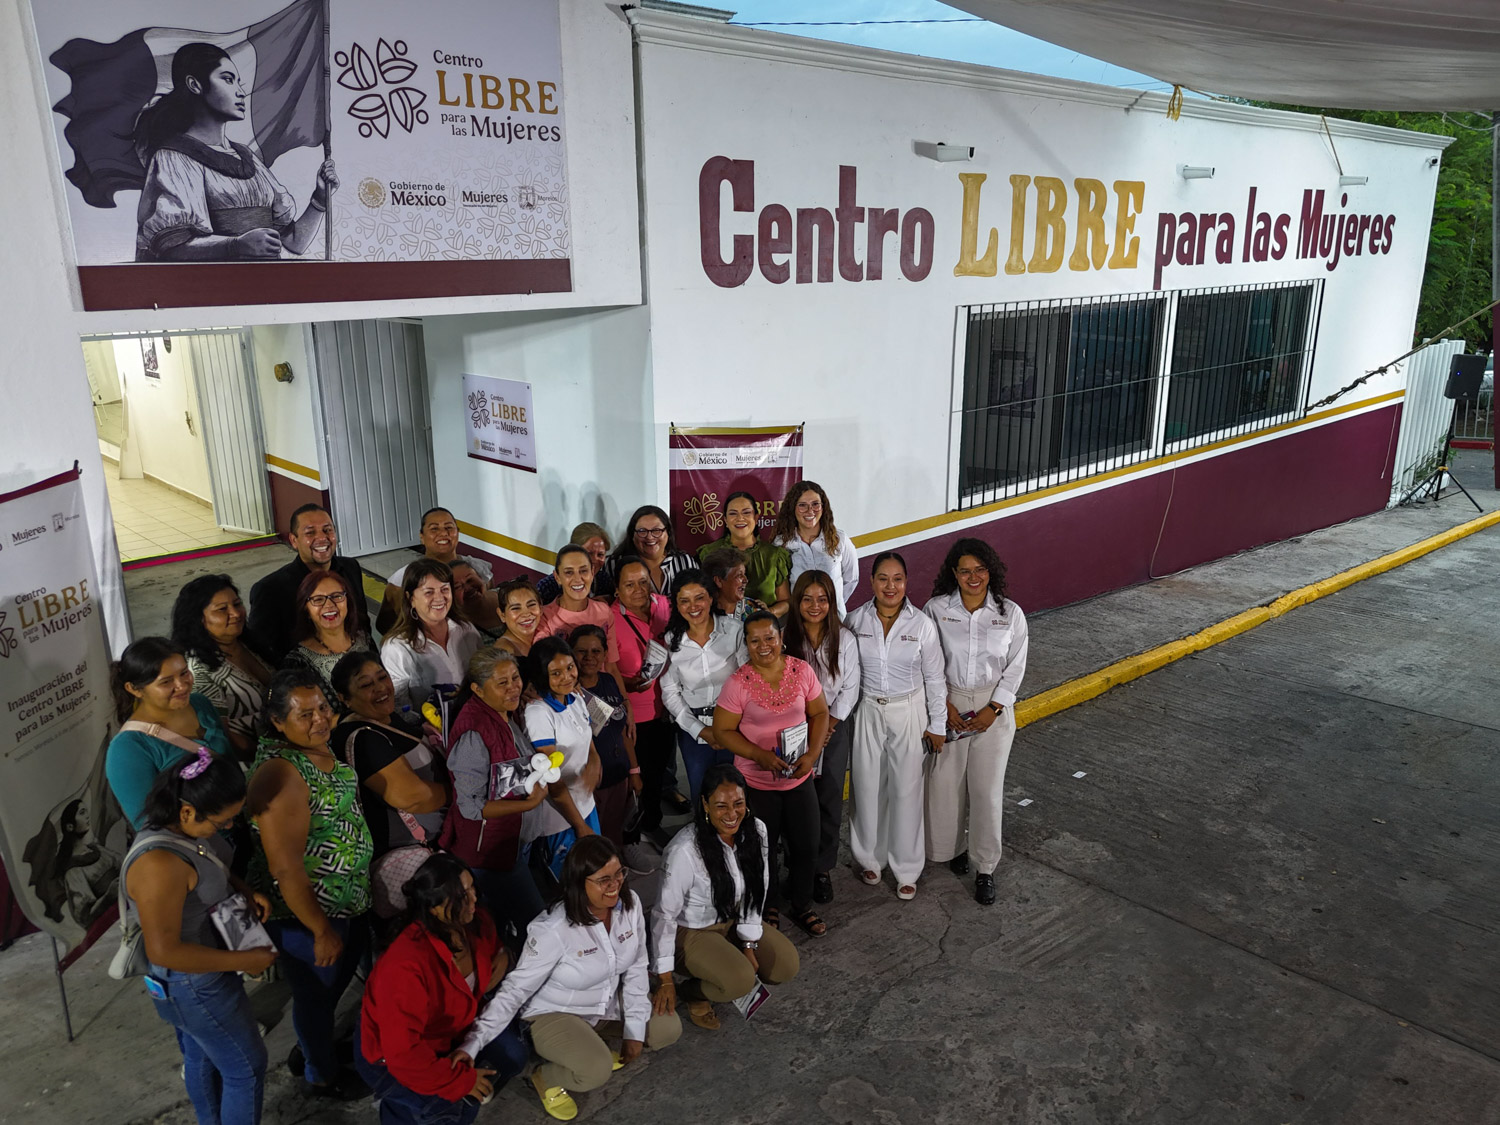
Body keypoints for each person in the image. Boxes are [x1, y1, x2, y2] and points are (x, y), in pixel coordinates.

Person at [456, 837, 681, 1121]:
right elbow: (514, 992)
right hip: (554, 1013)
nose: (614, 886)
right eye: (603, 880)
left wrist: (635, 1029)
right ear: (578, 882)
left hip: (603, 1001)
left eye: (618, 874)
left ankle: (590, 1045)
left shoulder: (631, 904)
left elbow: (636, 965)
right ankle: (546, 1077)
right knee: (595, 1070)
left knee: (666, 1028)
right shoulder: (552, 929)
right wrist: (472, 1045)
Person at [122, 752, 277, 1125]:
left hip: (201, 976)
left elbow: (208, 861)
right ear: (188, 812)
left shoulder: (180, 833)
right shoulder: (158, 865)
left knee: (202, 1054)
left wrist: (240, 889)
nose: (227, 826)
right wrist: (247, 961)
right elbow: (166, 950)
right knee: (246, 1069)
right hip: (194, 984)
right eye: (221, 821)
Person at [246, 670, 373, 1099]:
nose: (320, 719)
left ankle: (311, 1050)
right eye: (305, 714)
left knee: (327, 992)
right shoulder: (281, 772)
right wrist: (319, 929)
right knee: (315, 997)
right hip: (307, 914)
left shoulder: (314, 749)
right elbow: (285, 868)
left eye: (323, 707)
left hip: (344, 901)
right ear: (278, 722)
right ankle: (322, 1075)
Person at [355, 854, 530, 1125]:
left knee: (513, 1056)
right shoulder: (404, 966)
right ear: (433, 907)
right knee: (456, 1109)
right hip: (393, 1058)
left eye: (472, 888)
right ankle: (399, 1101)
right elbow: (403, 1052)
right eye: (462, 895)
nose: (473, 900)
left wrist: (504, 955)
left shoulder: (476, 922)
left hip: (451, 1033)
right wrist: (459, 1082)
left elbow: (495, 956)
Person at [133, 42, 336, 262]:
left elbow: (294, 243)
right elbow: (171, 248)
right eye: (228, 80)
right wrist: (235, 245)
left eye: (239, 82)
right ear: (195, 84)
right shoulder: (174, 157)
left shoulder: (248, 158)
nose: (240, 92)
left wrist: (320, 198)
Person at [651, 764, 800, 1031]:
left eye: (738, 804)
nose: (732, 814)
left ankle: (722, 969)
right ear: (705, 805)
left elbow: (757, 889)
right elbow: (665, 916)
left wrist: (749, 944)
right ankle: (693, 993)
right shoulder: (684, 851)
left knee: (785, 965)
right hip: (693, 930)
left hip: (733, 918)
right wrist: (664, 979)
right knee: (739, 980)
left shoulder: (757, 831)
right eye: (721, 806)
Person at [923, 538, 1029, 906]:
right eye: (965, 570)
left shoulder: (1010, 613)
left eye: (980, 570)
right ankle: (952, 850)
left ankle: (985, 867)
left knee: (985, 791)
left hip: (992, 710)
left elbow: (1015, 668)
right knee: (946, 784)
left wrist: (993, 709)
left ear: (990, 572)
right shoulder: (936, 609)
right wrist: (944, 706)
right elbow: (929, 660)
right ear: (953, 573)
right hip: (949, 703)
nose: (973, 577)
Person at [713, 611, 830, 937]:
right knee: (760, 851)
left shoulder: (802, 671)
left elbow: (820, 712)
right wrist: (757, 755)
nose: (764, 646)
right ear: (746, 644)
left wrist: (812, 754)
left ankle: (802, 904)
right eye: (755, 640)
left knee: (807, 844)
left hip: (799, 776)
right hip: (756, 783)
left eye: (770, 638)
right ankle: (768, 907)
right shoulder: (738, 683)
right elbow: (722, 730)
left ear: (781, 638)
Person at [846, 551, 947, 902]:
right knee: (867, 786)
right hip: (868, 709)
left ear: (906, 582)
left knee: (906, 789)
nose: (891, 586)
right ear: (872, 582)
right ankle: (869, 858)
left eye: (898, 579)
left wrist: (938, 724)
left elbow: (935, 679)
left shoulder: (921, 626)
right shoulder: (854, 622)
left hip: (909, 711)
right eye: (884, 579)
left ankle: (906, 868)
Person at [441, 647, 548, 937]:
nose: (514, 687)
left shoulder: (503, 714)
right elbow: (471, 807)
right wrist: (527, 805)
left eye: (515, 678)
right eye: (503, 683)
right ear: (477, 689)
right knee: (537, 927)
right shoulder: (474, 733)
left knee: (500, 923)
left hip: (512, 845)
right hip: (489, 855)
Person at [783, 570, 861, 905]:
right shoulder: (785, 638)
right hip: (792, 728)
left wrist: (827, 725)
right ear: (797, 601)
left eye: (823, 599)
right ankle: (796, 864)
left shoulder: (845, 639)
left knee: (828, 797)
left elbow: (850, 686)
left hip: (832, 727)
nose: (815, 606)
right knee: (796, 799)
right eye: (807, 599)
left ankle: (821, 869)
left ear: (832, 602)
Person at [330, 654, 448, 865]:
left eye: (382, 677)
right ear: (344, 698)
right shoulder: (363, 739)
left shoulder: (388, 717)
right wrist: (464, 791)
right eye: (366, 684)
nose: (380, 688)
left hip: (440, 837)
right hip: (414, 854)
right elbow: (413, 797)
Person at [107, 637, 233, 830]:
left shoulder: (200, 704)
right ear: (134, 689)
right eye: (166, 682)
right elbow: (150, 826)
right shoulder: (128, 749)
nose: (182, 686)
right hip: (202, 849)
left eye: (184, 673)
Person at [660, 570, 746, 808]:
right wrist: (700, 730)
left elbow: (749, 678)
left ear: (711, 598)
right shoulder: (670, 642)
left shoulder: (734, 630)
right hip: (693, 726)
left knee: (738, 790)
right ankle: (705, 842)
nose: (693, 606)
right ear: (676, 605)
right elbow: (670, 693)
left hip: (734, 721)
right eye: (684, 601)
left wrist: (731, 725)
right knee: (703, 793)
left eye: (699, 597)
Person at [521, 638, 603, 880]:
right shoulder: (538, 713)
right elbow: (553, 781)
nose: (567, 677)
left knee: (595, 873)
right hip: (561, 817)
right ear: (541, 676)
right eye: (555, 673)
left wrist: (594, 766)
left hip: (586, 804)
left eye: (570, 668)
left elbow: (591, 747)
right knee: (574, 884)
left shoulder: (575, 698)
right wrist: (580, 826)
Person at [248, 505, 366, 664]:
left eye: (327, 530)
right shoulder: (270, 589)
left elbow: (362, 622)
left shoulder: (350, 567)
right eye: (310, 532)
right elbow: (262, 650)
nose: (322, 538)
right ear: (293, 540)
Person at [172, 575, 273, 760]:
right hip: (251, 761)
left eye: (237, 604)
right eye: (222, 610)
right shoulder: (199, 669)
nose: (235, 613)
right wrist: (271, 756)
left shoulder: (248, 644)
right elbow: (223, 736)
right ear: (198, 619)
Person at [610, 558, 675, 832]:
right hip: (637, 714)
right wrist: (628, 683)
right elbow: (606, 668)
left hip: (669, 706)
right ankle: (642, 826)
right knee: (641, 773)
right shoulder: (610, 618)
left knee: (660, 770)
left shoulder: (664, 606)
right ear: (617, 590)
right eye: (629, 584)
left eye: (643, 582)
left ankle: (654, 819)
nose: (638, 589)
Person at [381, 558, 484, 710]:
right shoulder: (397, 647)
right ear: (411, 599)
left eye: (444, 589)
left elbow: (484, 675)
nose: (439, 598)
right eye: (429, 592)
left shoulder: (466, 629)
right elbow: (399, 707)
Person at [569, 625, 638, 845]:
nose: (589, 657)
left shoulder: (608, 681)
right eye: (582, 651)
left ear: (605, 654)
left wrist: (634, 770)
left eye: (596, 651)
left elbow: (622, 731)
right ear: (571, 653)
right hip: (590, 784)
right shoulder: (568, 693)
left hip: (618, 775)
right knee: (591, 841)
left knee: (614, 833)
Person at [534, 545, 630, 702]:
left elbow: (611, 666)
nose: (578, 579)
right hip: (565, 702)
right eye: (569, 572)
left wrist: (625, 703)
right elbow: (543, 667)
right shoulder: (545, 617)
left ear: (592, 573)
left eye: (583, 571)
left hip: (604, 700)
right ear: (557, 577)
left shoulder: (604, 612)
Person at [376, 509, 493, 634]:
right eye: (434, 529)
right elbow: (386, 625)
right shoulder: (402, 579)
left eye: (449, 527)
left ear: (457, 533)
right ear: (422, 536)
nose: (443, 533)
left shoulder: (479, 568)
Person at [283, 570, 373, 704]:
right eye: (318, 599)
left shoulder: (363, 638)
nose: (329, 605)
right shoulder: (297, 661)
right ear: (306, 609)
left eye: (337, 596)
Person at [696, 491, 791, 617]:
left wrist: (769, 612)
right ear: (725, 520)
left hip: (762, 629)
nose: (740, 518)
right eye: (733, 513)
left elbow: (786, 601)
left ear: (756, 518)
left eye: (746, 512)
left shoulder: (774, 556)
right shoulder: (709, 553)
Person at [773, 481, 859, 619]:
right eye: (802, 505)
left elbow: (851, 579)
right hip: (797, 622)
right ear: (792, 508)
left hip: (834, 620)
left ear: (823, 506)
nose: (810, 511)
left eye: (815, 504)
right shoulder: (781, 544)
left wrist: (831, 603)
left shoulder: (839, 539)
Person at [602, 505, 695, 597]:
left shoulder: (684, 562)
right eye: (642, 531)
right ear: (632, 535)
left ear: (668, 533)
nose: (650, 537)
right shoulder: (613, 564)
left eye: (656, 530)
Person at [536, 523, 615, 604]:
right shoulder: (547, 587)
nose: (594, 560)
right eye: (588, 554)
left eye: (600, 554)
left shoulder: (604, 580)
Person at [451, 559, 505, 639]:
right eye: (457, 587)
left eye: (470, 580)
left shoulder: (510, 594)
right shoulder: (458, 630)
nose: (467, 588)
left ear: (481, 578)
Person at [492, 580, 543, 660]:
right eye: (516, 608)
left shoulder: (545, 634)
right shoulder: (505, 652)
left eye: (531, 605)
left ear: (541, 608)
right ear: (502, 615)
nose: (526, 613)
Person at [701, 545, 755, 619]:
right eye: (739, 575)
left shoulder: (753, 609)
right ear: (719, 581)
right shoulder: (700, 612)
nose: (745, 580)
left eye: (744, 574)